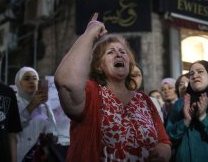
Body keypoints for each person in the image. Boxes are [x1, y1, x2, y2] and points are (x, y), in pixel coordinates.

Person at [54, 12, 172, 161]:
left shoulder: (144, 100)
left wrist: (164, 149)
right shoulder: (91, 92)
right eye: (110, 52)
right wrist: (89, 34)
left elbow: (163, 139)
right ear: (98, 66)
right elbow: (66, 82)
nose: (119, 55)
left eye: (123, 52)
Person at [166, 60, 208, 162]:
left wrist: (203, 117)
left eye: (200, 71)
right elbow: (168, 138)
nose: (194, 76)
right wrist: (186, 121)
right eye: (191, 74)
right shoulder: (180, 104)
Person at [14, 67, 57, 162]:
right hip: (19, 156)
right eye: (26, 78)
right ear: (18, 82)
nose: (31, 81)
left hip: (39, 157)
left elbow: (52, 129)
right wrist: (32, 105)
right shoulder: (13, 103)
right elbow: (14, 125)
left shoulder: (44, 107)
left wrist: (50, 136)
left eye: (34, 78)